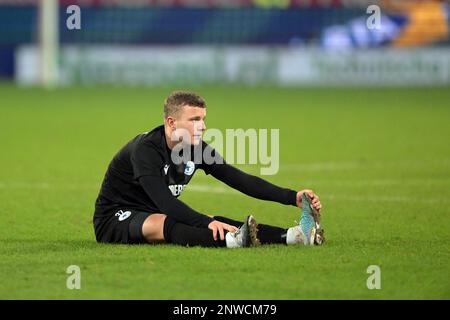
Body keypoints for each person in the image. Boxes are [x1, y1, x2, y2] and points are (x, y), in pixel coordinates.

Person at [93, 91, 324, 248]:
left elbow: (240, 180)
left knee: (215, 220)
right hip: (115, 217)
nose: (202, 126)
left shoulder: (196, 148)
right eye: (194, 119)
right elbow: (165, 202)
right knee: (171, 222)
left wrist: (291, 196)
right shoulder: (145, 150)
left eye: (203, 119)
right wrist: (204, 222)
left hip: (155, 211)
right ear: (171, 122)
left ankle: (292, 236)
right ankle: (233, 241)